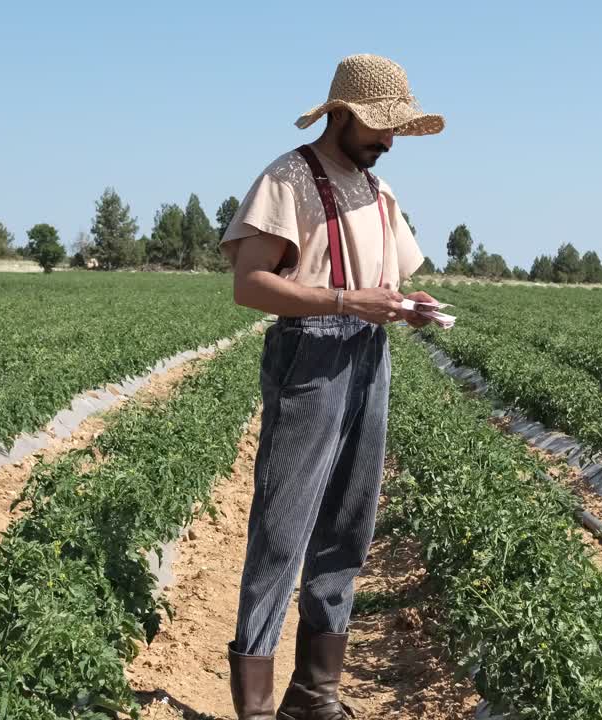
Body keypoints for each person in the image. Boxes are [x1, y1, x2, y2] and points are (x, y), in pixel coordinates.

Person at [218, 54, 444, 719]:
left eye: (394, 129)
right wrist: (344, 302)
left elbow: (387, 283)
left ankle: (314, 697)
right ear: (340, 115)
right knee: (282, 530)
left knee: (349, 524)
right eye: (379, 127)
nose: (388, 142)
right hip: (310, 354)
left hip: (369, 354)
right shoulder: (287, 180)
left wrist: (406, 305)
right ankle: (256, 708)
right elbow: (249, 285)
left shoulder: (379, 192)